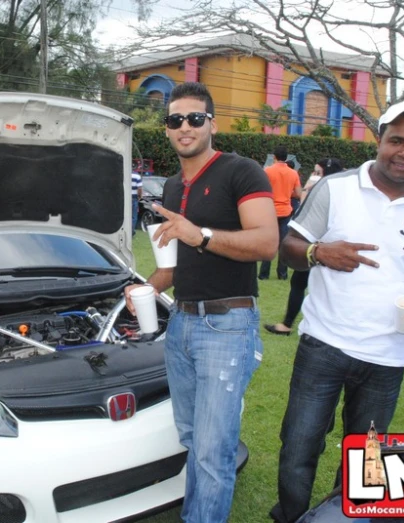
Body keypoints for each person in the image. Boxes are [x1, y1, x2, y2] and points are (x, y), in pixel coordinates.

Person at [270, 100, 404, 523]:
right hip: (324, 345)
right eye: (397, 141)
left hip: (387, 356)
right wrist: (319, 251)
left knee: (366, 455)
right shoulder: (336, 188)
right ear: (380, 139)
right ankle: (292, 516)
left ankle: (345, 517)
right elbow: (290, 249)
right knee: (299, 444)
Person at [123, 82, 278, 523]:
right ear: (168, 129)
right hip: (182, 325)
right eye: (175, 120)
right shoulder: (172, 186)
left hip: (227, 325)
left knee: (213, 450)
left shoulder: (241, 171)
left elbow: (267, 241)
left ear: (212, 122)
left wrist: (202, 234)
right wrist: (149, 287)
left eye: (194, 118)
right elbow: (173, 265)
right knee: (193, 437)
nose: (184, 127)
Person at [264, 158, 344, 336]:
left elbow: (304, 208)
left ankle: (287, 324)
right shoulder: (342, 192)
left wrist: (308, 188)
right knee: (301, 282)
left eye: (317, 172)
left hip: (318, 246)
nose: (313, 175)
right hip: (317, 245)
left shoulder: (325, 193)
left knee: (304, 283)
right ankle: (288, 323)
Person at [259, 145, 302, 280]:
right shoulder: (293, 173)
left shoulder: (267, 171)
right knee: (283, 243)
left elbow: (261, 189)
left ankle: (263, 274)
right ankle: (282, 274)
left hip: (270, 210)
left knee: (268, 242)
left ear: (274, 157)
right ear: (286, 157)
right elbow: (298, 194)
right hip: (285, 211)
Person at [131, 168, 143, 235]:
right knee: (134, 216)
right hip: (134, 198)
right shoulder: (137, 176)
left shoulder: (124, 174)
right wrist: (140, 196)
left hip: (125, 198)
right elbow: (139, 188)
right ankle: (131, 232)